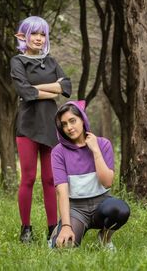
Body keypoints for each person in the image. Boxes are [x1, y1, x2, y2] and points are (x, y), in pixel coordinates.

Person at [10, 16, 72, 244]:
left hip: (50, 126)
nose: (38, 38)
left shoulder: (52, 61)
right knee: (28, 178)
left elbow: (65, 87)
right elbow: (24, 93)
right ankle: (26, 229)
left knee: (50, 179)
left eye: (42, 34)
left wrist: (36, 87)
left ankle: (52, 228)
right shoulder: (17, 61)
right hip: (27, 126)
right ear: (22, 36)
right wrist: (50, 90)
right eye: (33, 34)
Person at [50, 101, 130, 251]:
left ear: (82, 119)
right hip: (76, 210)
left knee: (120, 210)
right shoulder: (58, 152)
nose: (69, 127)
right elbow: (61, 191)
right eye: (64, 124)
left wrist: (95, 150)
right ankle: (58, 232)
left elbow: (107, 182)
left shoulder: (103, 144)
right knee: (63, 249)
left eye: (72, 121)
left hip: (102, 204)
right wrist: (66, 226)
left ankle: (104, 239)